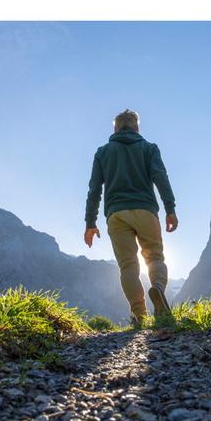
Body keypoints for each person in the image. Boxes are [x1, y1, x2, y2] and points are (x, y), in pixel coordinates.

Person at [84, 109, 178, 325]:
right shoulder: (149, 148)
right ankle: (157, 289)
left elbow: (94, 190)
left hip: (116, 214)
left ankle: (140, 315)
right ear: (137, 128)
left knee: (128, 266)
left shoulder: (103, 152)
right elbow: (160, 177)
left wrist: (90, 223)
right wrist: (170, 209)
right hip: (145, 210)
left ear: (115, 129)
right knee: (154, 257)